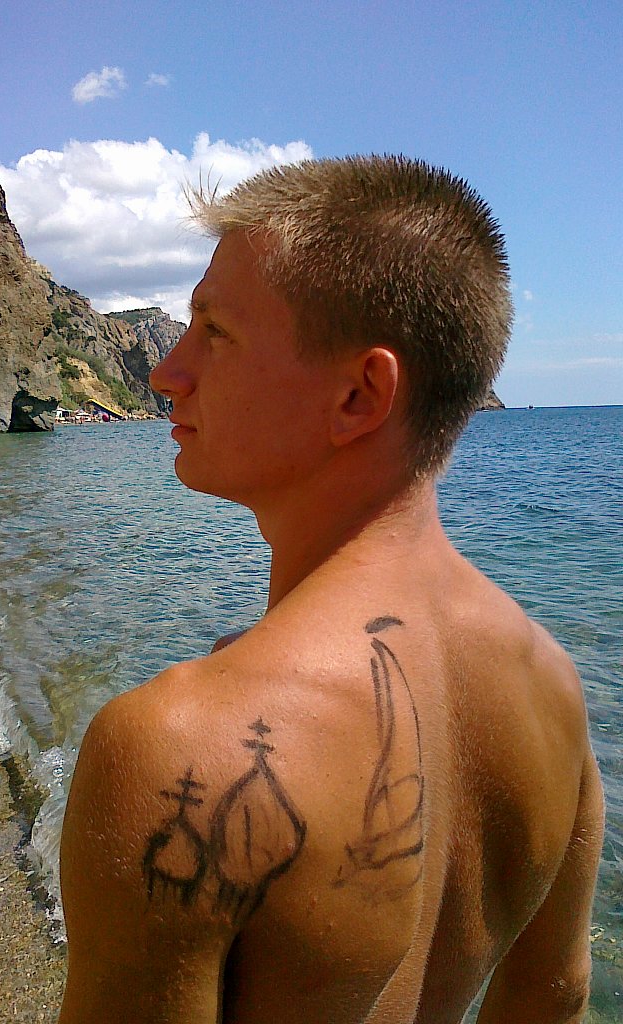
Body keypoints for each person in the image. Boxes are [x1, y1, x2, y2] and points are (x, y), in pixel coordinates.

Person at [58, 155, 604, 1023]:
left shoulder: (177, 747)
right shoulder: (555, 689)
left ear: (359, 394)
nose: (167, 373)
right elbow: (556, 997)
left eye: (215, 331)